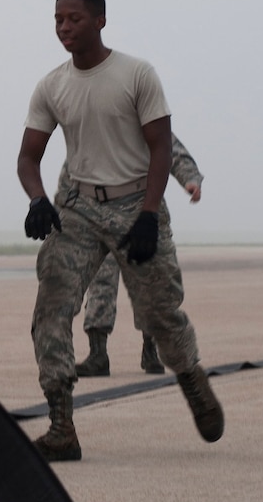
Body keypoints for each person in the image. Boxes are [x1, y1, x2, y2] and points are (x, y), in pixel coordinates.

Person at [16, 0, 223, 462]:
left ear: (100, 20)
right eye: (58, 19)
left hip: (135, 205)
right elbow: (28, 157)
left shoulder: (136, 75)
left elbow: (160, 146)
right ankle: (61, 427)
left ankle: (192, 378)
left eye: (74, 19)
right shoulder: (52, 86)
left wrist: (150, 214)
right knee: (51, 310)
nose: (64, 28)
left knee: (160, 315)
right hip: (78, 209)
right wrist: (37, 200)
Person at [73, 133, 204, 377]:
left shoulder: (144, 117)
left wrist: (190, 180)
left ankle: (150, 350)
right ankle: (98, 353)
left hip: (141, 211)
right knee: (101, 282)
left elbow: (171, 149)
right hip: (103, 214)